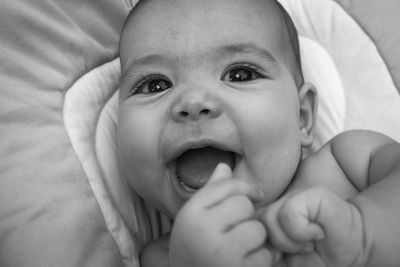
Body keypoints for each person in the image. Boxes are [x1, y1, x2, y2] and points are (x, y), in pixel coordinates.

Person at [117, 0, 400, 266]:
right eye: (156, 85)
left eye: (239, 74)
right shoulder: (167, 257)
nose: (193, 102)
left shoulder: (347, 164)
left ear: (301, 117)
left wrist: (364, 232)